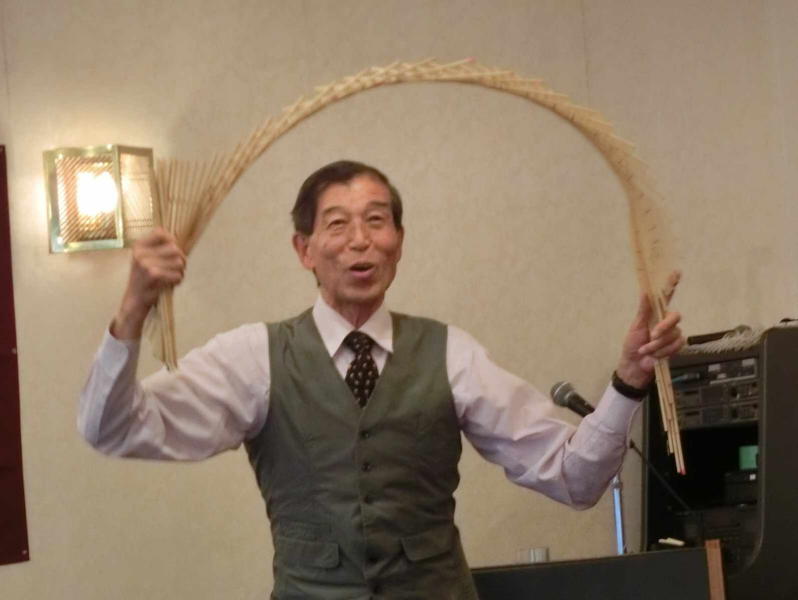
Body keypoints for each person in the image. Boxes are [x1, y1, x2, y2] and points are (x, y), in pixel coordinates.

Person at [79, 160, 684, 599]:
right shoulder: (253, 357)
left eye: (377, 221)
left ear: (399, 243)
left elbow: (575, 477)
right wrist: (133, 307)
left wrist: (628, 380)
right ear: (304, 249)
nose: (360, 241)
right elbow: (112, 429)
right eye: (337, 224)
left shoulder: (452, 354)